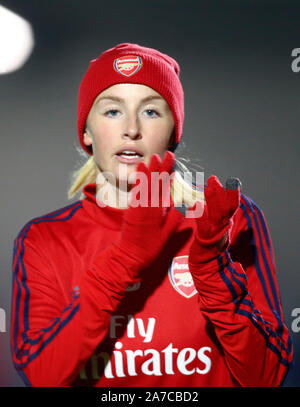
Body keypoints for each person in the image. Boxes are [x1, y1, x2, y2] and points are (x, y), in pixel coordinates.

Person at [11, 43, 293, 387]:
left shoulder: (226, 218)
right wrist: (124, 260)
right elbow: (42, 376)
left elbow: (267, 378)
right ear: (86, 131)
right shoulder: (44, 238)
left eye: (151, 112)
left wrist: (211, 268)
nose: (131, 128)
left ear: (174, 132)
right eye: (112, 111)